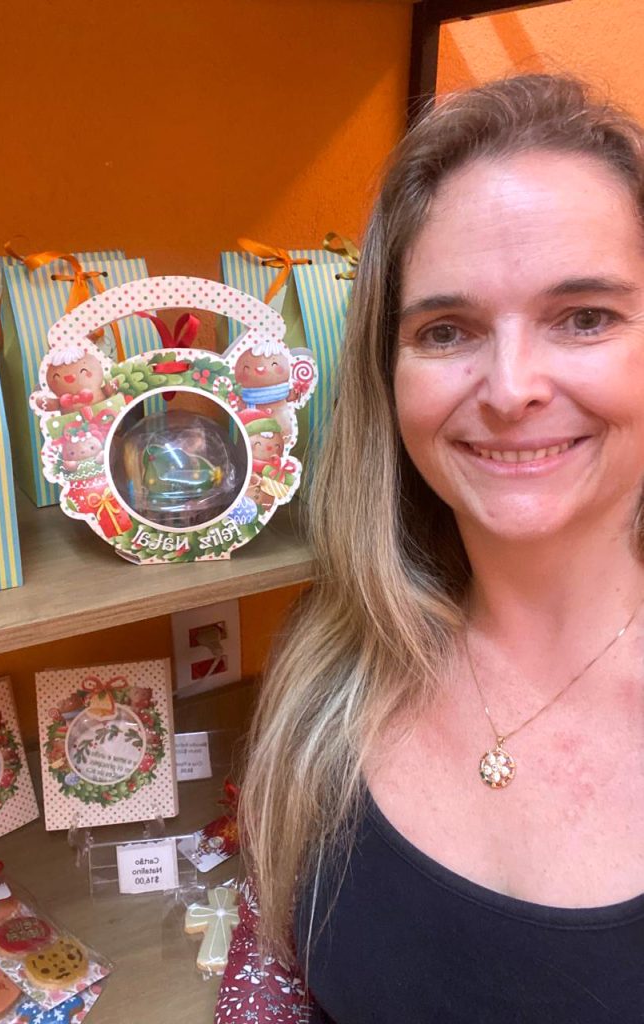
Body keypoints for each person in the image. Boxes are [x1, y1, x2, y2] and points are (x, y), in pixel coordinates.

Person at [216, 74, 644, 1022]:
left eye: (584, 317)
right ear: (389, 373)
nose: (510, 387)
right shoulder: (330, 664)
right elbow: (272, 970)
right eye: (446, 330)